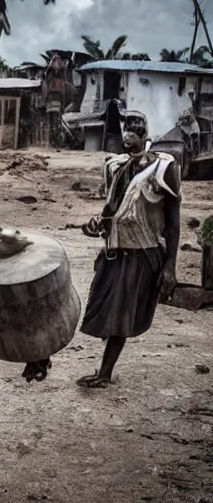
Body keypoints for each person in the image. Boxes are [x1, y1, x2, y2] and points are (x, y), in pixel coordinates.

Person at [76, 130, 180, 388]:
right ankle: (103, 371)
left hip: (142, 252)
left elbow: (173, 225)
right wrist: (96, 225)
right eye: (126, 127)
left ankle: (105, 373)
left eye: (135, 128)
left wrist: (170, 266)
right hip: (115, 251)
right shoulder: (117, 166)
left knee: (120, 313)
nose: (128, 133)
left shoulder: (163, 168)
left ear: (145, 132)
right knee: (103, 306)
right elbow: (110, 213)